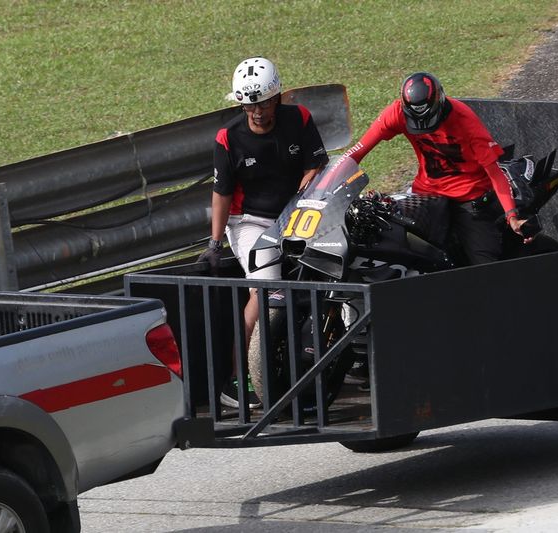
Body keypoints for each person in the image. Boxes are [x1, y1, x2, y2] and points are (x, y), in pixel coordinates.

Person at [198, 57, 328, 408]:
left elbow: (315, 166)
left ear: (277, 98)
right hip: (250, 221)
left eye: (263, 103)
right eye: (249, 104)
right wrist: (213, 243)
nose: (256, 111)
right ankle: (239, 379)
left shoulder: (298, 118)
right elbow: (221, 193)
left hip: (297, 214)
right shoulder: (228, 137)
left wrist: (302, 201)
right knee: (264, 289)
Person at [344, 71, 531, 264]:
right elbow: (356, 152)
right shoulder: (397, 112)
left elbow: (495, 173)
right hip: (426, 193)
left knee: (484, 264)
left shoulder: (465, 120)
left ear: (439, 102)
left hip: (469, 197)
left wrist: (512, 215)